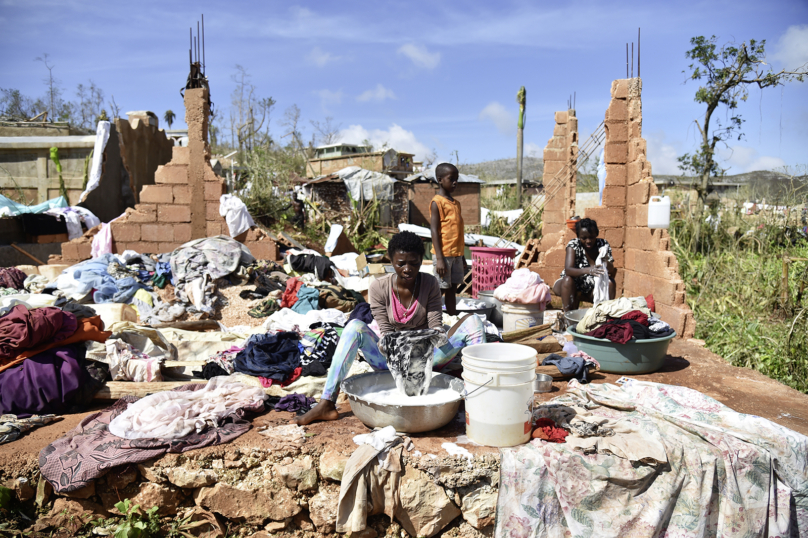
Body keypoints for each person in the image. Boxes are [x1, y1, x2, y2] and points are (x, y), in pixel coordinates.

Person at [295, 230, 485, 425]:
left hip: (426, 360)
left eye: (414, 263)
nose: (407, 269)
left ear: (421, 261)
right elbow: (385, 332)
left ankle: (482, 398)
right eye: (401, 263)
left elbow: (435, 322)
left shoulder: (429, 284)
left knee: (473, 322)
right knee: (353, 328)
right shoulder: (379, 287)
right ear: (392, 261)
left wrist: (436, 335)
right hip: (391, 362)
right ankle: (327, 402)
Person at [552, 218, 616, 312]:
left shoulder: (602, 245)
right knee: (567, 280)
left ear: (596, 234)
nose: (588, 241)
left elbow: (611, 270)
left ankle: (604, 315)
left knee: (610, 282)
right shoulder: (574, 245)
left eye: (591, 237)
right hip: (573, 284)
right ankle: (568, 317)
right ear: (578, 236)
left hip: (593, 286)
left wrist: (605, 259)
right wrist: (589, 270)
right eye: (584, 238)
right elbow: (568, 270)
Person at [429, 163, 466, 316]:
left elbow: (457, 232)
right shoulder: (437, 203)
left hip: (456, 255)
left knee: (453, 289)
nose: (455, 182)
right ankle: (432, 319)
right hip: (443, 255)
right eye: (451, 179)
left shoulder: (456, 203)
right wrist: (439, 258)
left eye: (456, 179)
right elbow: (434, 231)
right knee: (441, 289)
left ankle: (452, 318)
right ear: (440, 180)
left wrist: (462, 256)